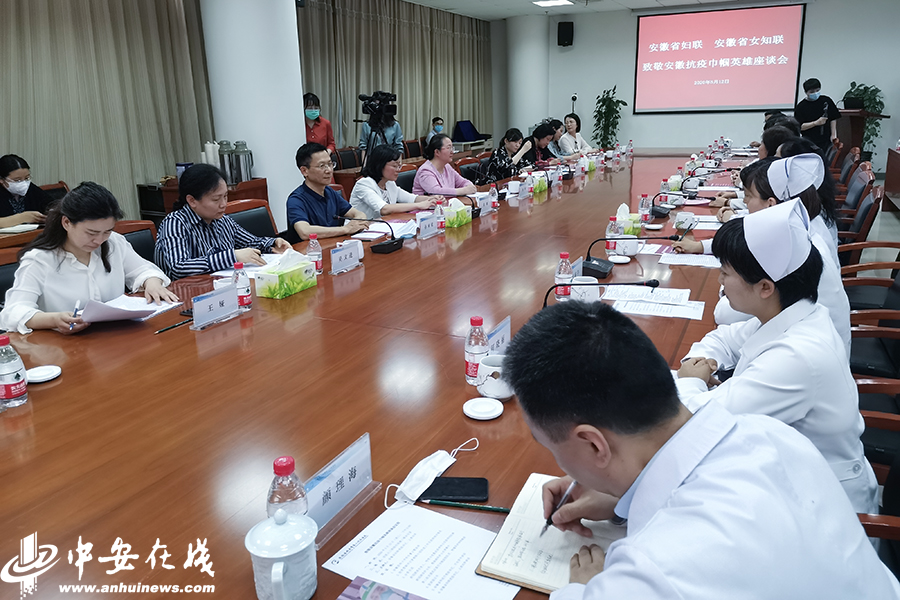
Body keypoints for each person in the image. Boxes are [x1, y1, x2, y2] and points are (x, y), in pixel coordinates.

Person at [501, 301, 898, 600]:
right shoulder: (769, 434)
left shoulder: (653, 575)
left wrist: (584, 588)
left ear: (593, 443)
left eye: (548, 445)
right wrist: (622, 499)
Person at [676, 200, 874, 514]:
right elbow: (724, 338)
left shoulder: (797, 357)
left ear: (765, 287)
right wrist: (699, 362)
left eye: (725, 273)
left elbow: (694, 421)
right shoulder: (794, 312)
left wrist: (690, 381)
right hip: (785, 473)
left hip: (821, 507)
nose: (720, 282)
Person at [676, 156, 852, 345]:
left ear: (771, 204)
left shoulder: (794, 245)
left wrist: (730, 279)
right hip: (806, 335)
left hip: (804, 344)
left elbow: (725, 314)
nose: (745, 202)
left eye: (749, 196)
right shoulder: (799, 227)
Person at [0, 182, 178, 335]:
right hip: (64, 347)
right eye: (91, 233)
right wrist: (54, 319)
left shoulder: (114, 242)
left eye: (107, 231)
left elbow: (144, 270)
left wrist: (152, 283)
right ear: (66, 223)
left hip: (114, 338)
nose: (99, 240)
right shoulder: (39, 259)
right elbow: (13, 312)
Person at [155, 164, 290, 280]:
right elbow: (179, 267)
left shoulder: (222, 220)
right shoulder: (174, 223)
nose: (223, 204)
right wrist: (232, 256)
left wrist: (273, 243)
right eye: (216, 199)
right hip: (185, 294)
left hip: (220, 286)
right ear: (192, 201)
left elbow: (250, 242)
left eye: (225, 196)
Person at [287, 143, 369, 241]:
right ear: (304, 171)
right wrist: (346, 229)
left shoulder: (329, 192)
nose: (329, 170)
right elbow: (305, 232)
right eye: (322, 166)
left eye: (330, 164)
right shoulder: (296, 200)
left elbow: (357, 213)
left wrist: (360, 220)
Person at [349, 145, 437, 220]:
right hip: (359, 231)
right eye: (394, 166)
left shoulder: (389, 183)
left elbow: (412, 198)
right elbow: (384, 209)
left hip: (382, 227)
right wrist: (419, 205)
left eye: (399, 166)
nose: (398, 170)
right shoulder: (364, 184)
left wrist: (432, 199)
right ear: (380, 165)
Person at [412, 134, 476, 196]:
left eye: (452, 148)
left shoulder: (447, 166)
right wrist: (463, 190)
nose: (452, 152)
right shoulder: (425, 171)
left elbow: (462, 182)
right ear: (437, 152)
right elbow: (436, 192)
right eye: (448, 148)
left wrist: (469, 186)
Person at [0, 154, 52, 228]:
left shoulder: (30, 188)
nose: (24, 183)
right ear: (2, 180)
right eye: (17, 180)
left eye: (27, 178)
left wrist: (51, 213)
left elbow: (50, 203)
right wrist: (22, 218)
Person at [795, 78, 841, 152]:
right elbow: (800, 127)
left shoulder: (826, 100)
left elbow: (833, 118)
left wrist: (833, 135)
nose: (815, 93)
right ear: (806, 92)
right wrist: (816, 123)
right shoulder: (801, 107)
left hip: (826, 139)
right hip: (809, 141)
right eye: (812, 92)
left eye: (817, 90)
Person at [303, 93, 336, 158]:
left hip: (322, 158)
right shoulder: (299, 125)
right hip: (305, 159)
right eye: (310, 108)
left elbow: (331, 144)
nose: (313, 110)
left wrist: (326, 153)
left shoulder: (325, 123)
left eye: (316, 108)